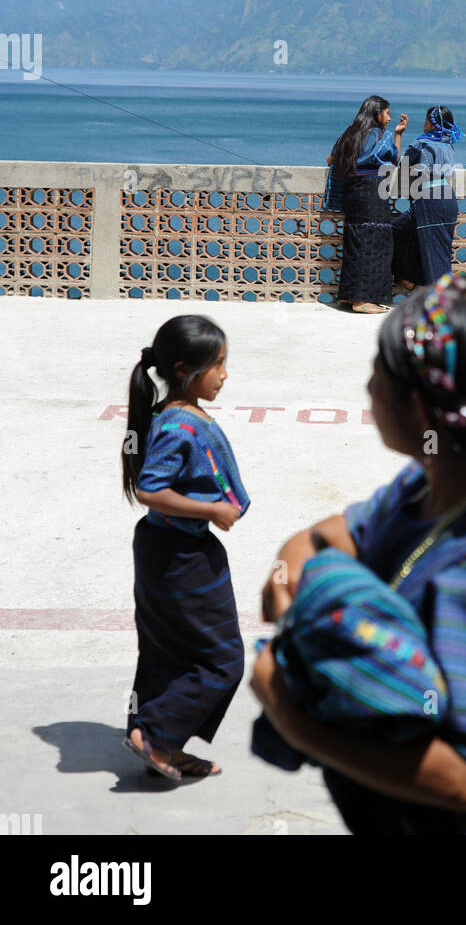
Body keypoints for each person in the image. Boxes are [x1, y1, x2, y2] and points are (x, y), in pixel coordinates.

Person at [251, 272, 466, 835]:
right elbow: (322, 539)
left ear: (417, 409)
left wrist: (292, 718)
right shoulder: (425, 492)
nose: (366, 389)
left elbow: (465, 780)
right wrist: (288, 580)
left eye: (376, 375)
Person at [122, 315, 250, 780]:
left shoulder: (178, 413)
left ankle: (161, 747)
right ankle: (155, 733)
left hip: (169, 548)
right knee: (222, 659)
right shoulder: (178, 423)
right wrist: (212, 511)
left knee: (166, 651)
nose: (225, 374)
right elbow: (149, 490)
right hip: (182, 555)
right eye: (217, 365)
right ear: (183, 369)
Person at [326, 95, 408, 314]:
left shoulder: (349, 135)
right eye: (387, 112)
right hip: (373, 190)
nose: (390, 117)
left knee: (356, 241)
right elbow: (393, 161)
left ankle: (348, 294)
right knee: (376, 243)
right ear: (377, 113)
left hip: (353, 192)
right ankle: (362, 300)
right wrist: (399, 135)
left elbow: (330, 160)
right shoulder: (382, 136)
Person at [392, 104, 463, 293]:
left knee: (434, 254)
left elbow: (400, 163)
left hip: (430, 200)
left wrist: (398, 135)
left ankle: (439, 301)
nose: (424, 125)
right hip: (448, 198)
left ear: (433, 124)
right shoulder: (448, 144)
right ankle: (410, 281)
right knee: (404, 233)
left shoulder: (421, 144)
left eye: (426, 121)